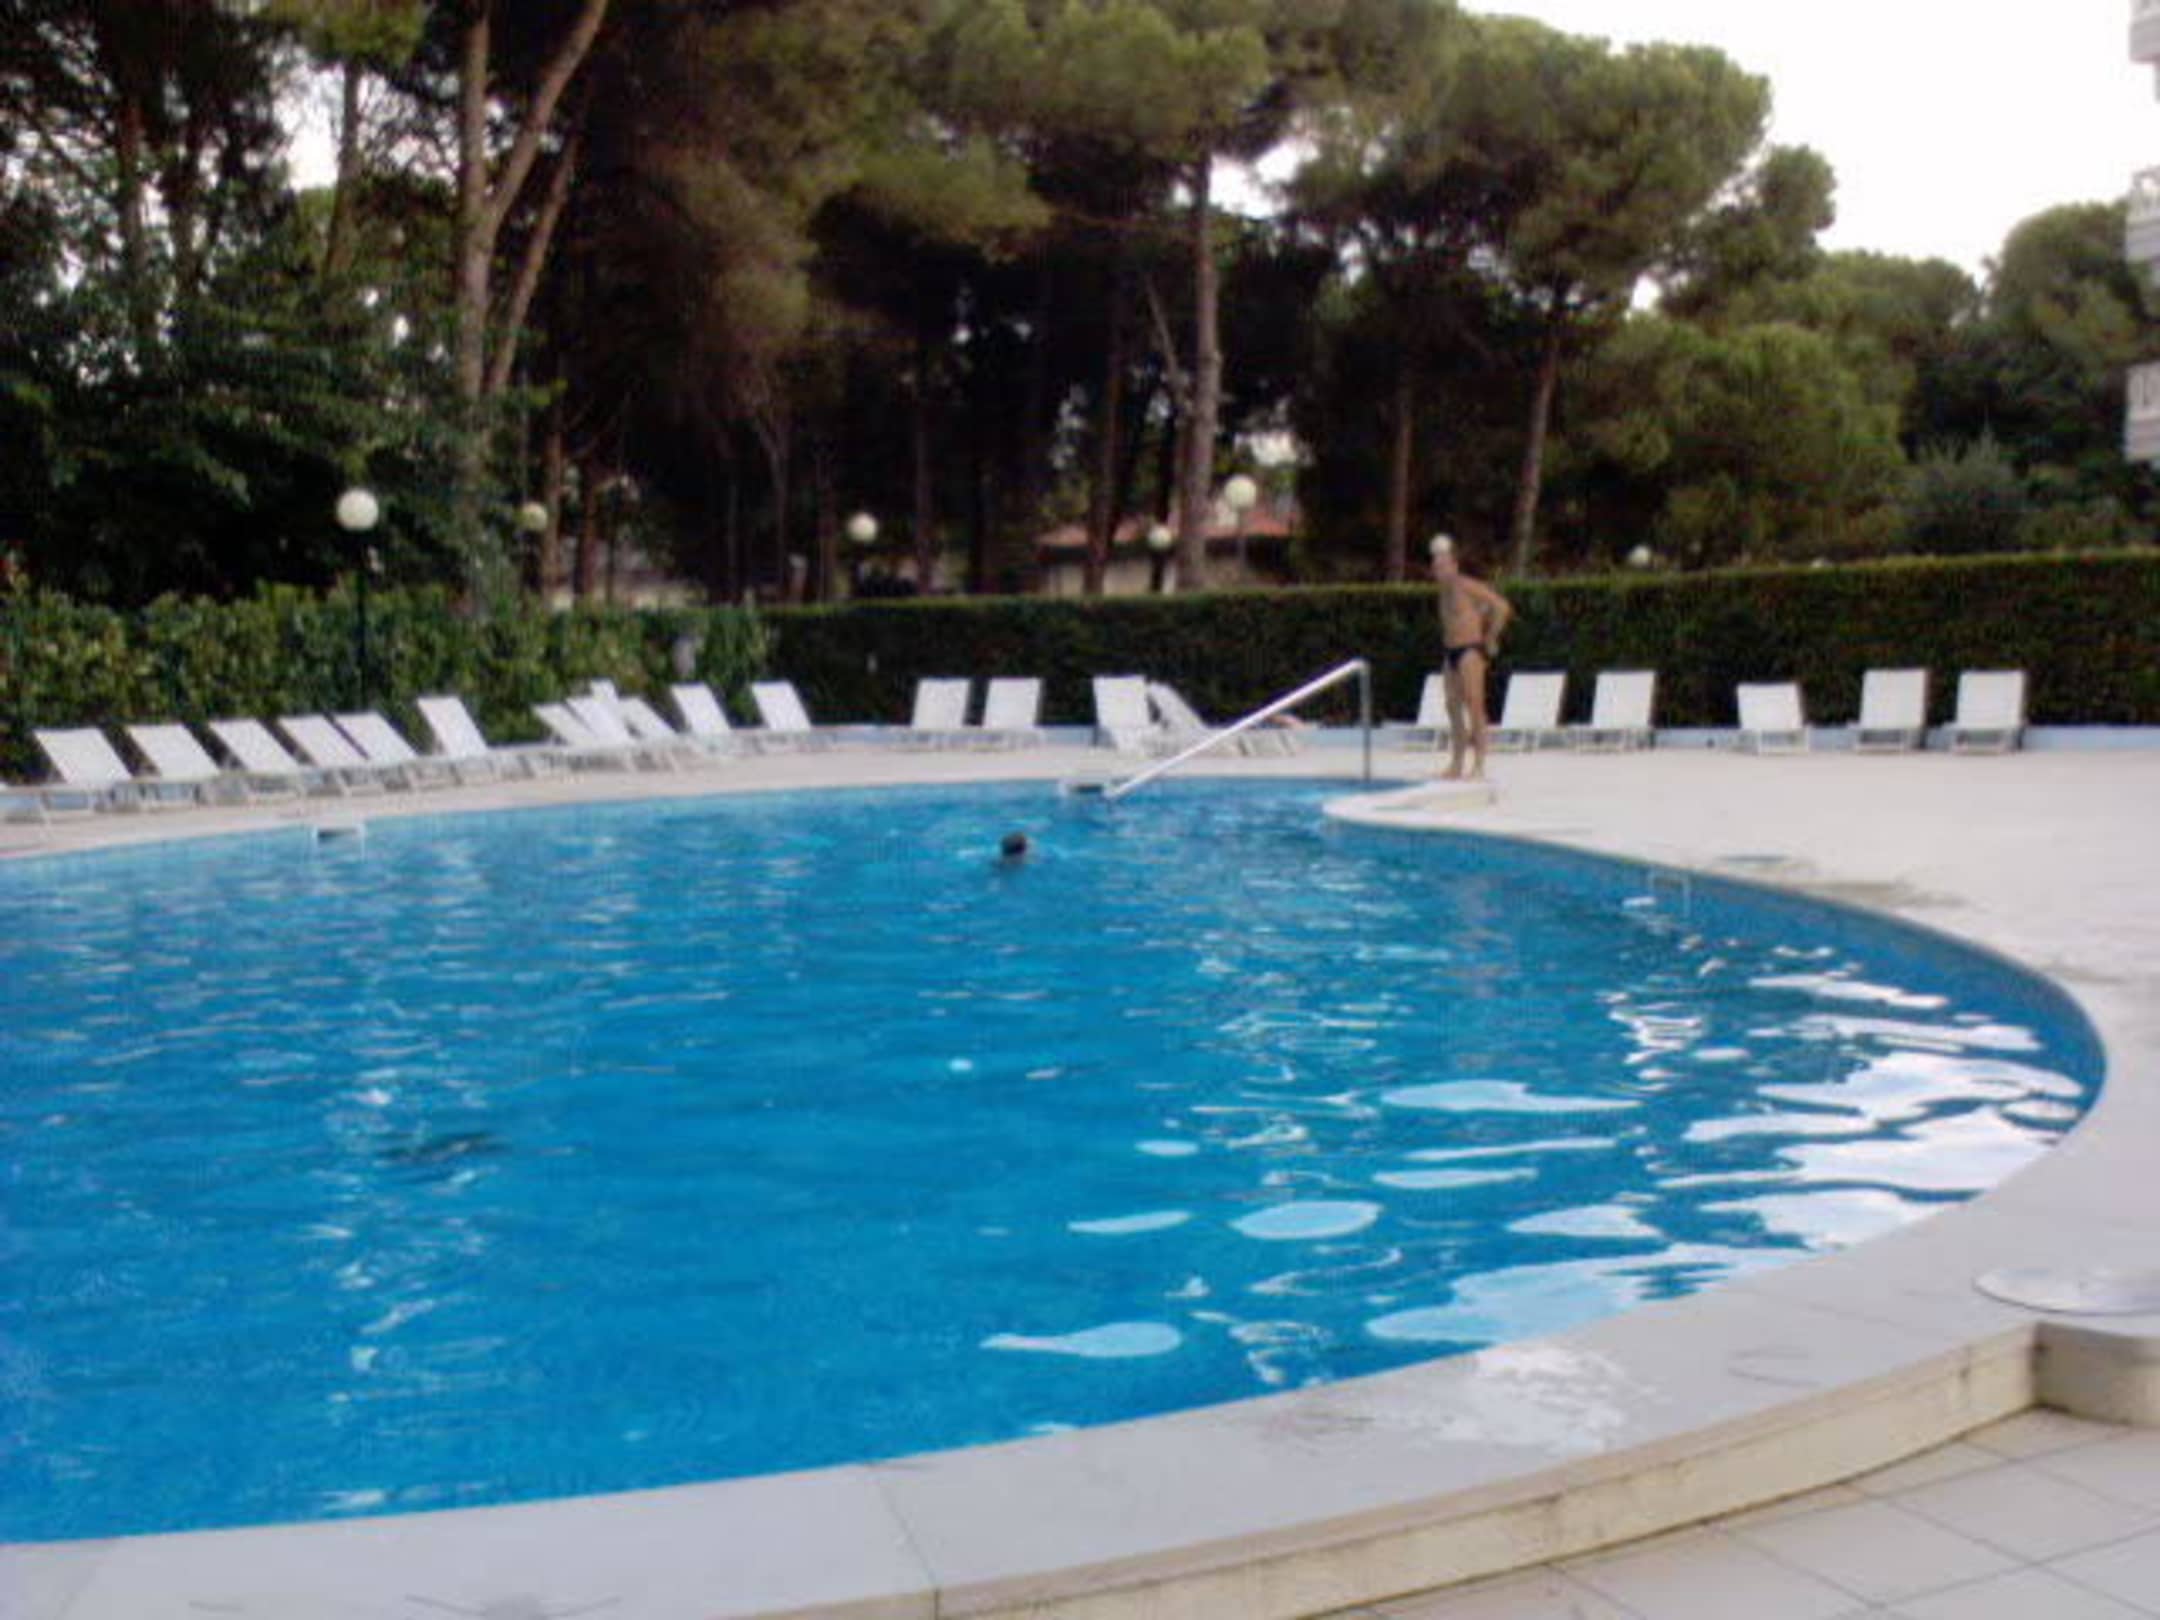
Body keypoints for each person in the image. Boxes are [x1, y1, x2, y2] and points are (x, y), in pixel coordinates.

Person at [1428, 533, 1513, 781]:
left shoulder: (1466, 585)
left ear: (1454, 566)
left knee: (1475, 705)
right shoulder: (1443, 592)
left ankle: (1479, 765)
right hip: (1451, 652)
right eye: (1436, 567)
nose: (1439, 571)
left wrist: (1491, 637)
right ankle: (1456, 763)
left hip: (1470, 650)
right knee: (1452, 706)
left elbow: (1501, 606)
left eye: (1444, 566)